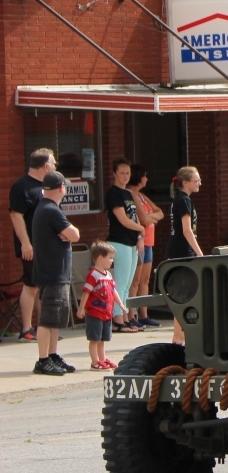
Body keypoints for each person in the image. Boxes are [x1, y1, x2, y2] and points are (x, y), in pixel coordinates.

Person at [30, 172, 80, 376]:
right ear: (61, 188)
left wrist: (67, 234)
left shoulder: (48, 209)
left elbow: (70, 235)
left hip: (58, 272)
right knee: (48, 317)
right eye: (65, 187)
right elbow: (75, 235)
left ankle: (52, 355)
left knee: (57, 317)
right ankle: (43, 360)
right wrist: (68, 234)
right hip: (51, 272)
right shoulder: (51, 210)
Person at [8, 148, 55, 342]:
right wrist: (26, 244)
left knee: (43, 287)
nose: (55, 166)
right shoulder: (22, 186)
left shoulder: (46, 187)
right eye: (53, 163)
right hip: (31, 247)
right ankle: (26, 329)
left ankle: (43, 327)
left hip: (47, 247)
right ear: (45, 166)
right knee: (31, 286)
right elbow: (16, 215)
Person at [106, 157, 145, 334]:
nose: (124, 176)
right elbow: (123, 220)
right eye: (121, 173)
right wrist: (141, 229)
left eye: (127, 173)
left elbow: (134, 216)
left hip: (132, 241)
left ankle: (126, 317)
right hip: (118, 241)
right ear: (114, 173)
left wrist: (139, 236)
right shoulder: (113, 194)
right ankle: (117, 320)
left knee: (129, 284)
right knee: (120, 283)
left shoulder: (128, 194)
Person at [167, 167, 203, 346]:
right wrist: (199, 253)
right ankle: (178, 338)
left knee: (184, 297)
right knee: (183, 297)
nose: (199, 183)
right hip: (181, 253)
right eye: (196, 180)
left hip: (179, 252)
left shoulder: (181, 200)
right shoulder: (183, 201)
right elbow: (187, 230)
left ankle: (180, 337)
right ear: (185, 182)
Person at [77, 240, 124, 371]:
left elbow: (113, 291)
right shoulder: (93, 275)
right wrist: (81, 308)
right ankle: (94, 362)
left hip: (106, 313)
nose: (111, 261)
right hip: (94, 313)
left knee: (102, 339)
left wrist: (120, 304)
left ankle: (102, 359)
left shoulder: (108, 275)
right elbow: (86, 293)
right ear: (100, 258)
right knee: (94, 339)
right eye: (110, 258)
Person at [128, 165, 163, 328]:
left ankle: (144, 314)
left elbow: (160, 212)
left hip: (149, 241)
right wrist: (149, 217)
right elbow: (143, 219)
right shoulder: (131, 194)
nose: (147, 179)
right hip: (138, 242)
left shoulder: (142, 195)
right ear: (138, 177)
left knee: (145, 280)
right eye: (144, 175)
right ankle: (131, 314)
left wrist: (150, 216)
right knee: (135, 280)